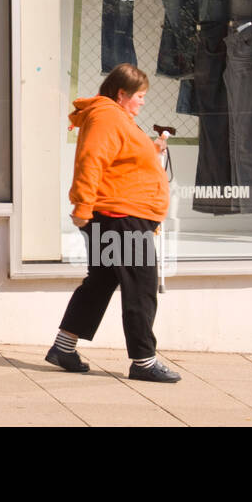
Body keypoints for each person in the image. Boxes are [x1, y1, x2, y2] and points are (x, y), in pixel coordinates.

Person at [45, 63, 180, 383]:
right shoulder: (106, 116)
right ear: (122, 93)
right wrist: (83, 205)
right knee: (141, 287)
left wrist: (154, 148)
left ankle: (63, 347)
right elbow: (91, 161)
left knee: (102, 280)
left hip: (118, 216)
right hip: (120, 217)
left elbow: (121, 157)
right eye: (140, 96)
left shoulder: (115, 118)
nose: (143, 102)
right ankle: (144, 361)